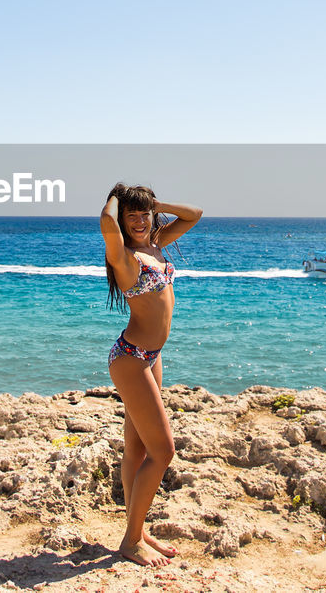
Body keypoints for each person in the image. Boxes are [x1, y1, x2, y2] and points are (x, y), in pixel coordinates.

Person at [100, 183, 202, 567]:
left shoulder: (155, 240)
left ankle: (137, 529)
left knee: (137, 450)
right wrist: (117, 195)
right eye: (133, 216)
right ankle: (130, 541)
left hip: (150, 355)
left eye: (145, 214)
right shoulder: (124, 257)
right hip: (131, 360)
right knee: (164, 452)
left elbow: (195, 213)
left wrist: (153, 205)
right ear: (123, 221)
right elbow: (106, 221)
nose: (141, 221)